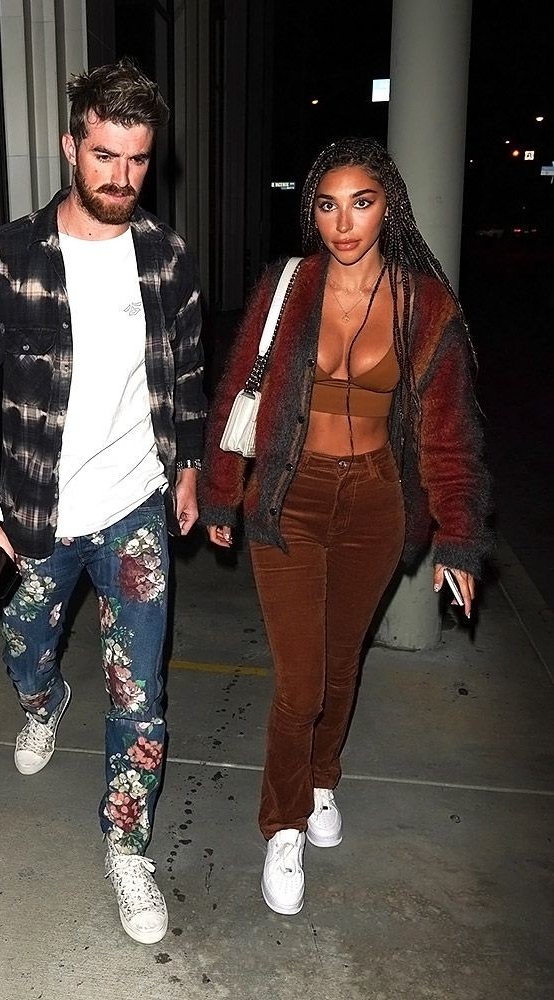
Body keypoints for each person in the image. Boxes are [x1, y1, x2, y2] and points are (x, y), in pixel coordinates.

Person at [0, 58, 205, 945]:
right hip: (35, 515)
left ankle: (127, 845)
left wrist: (190, 466)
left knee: (139, 693)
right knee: (23, 650)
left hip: (134, 511)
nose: (121, 177)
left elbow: (186, 377)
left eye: (138, 159)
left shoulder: (165, 258)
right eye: (103, 156)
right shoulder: (7, 259)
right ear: (69, 147)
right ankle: (43, 700)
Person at [199, 137, 492, 915]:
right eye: (327, 205)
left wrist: (459, 538)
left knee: (340, 664)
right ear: (312, 211)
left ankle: (322, 779)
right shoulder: (287, 286)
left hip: (374, 502)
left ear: (387, 205)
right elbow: (237, 389)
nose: (344, 222)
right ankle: (283, 824)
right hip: (288, 497)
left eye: (361, 203)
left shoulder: (425, 305)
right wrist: (223, 493)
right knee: (299, 681)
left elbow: (449, 433)